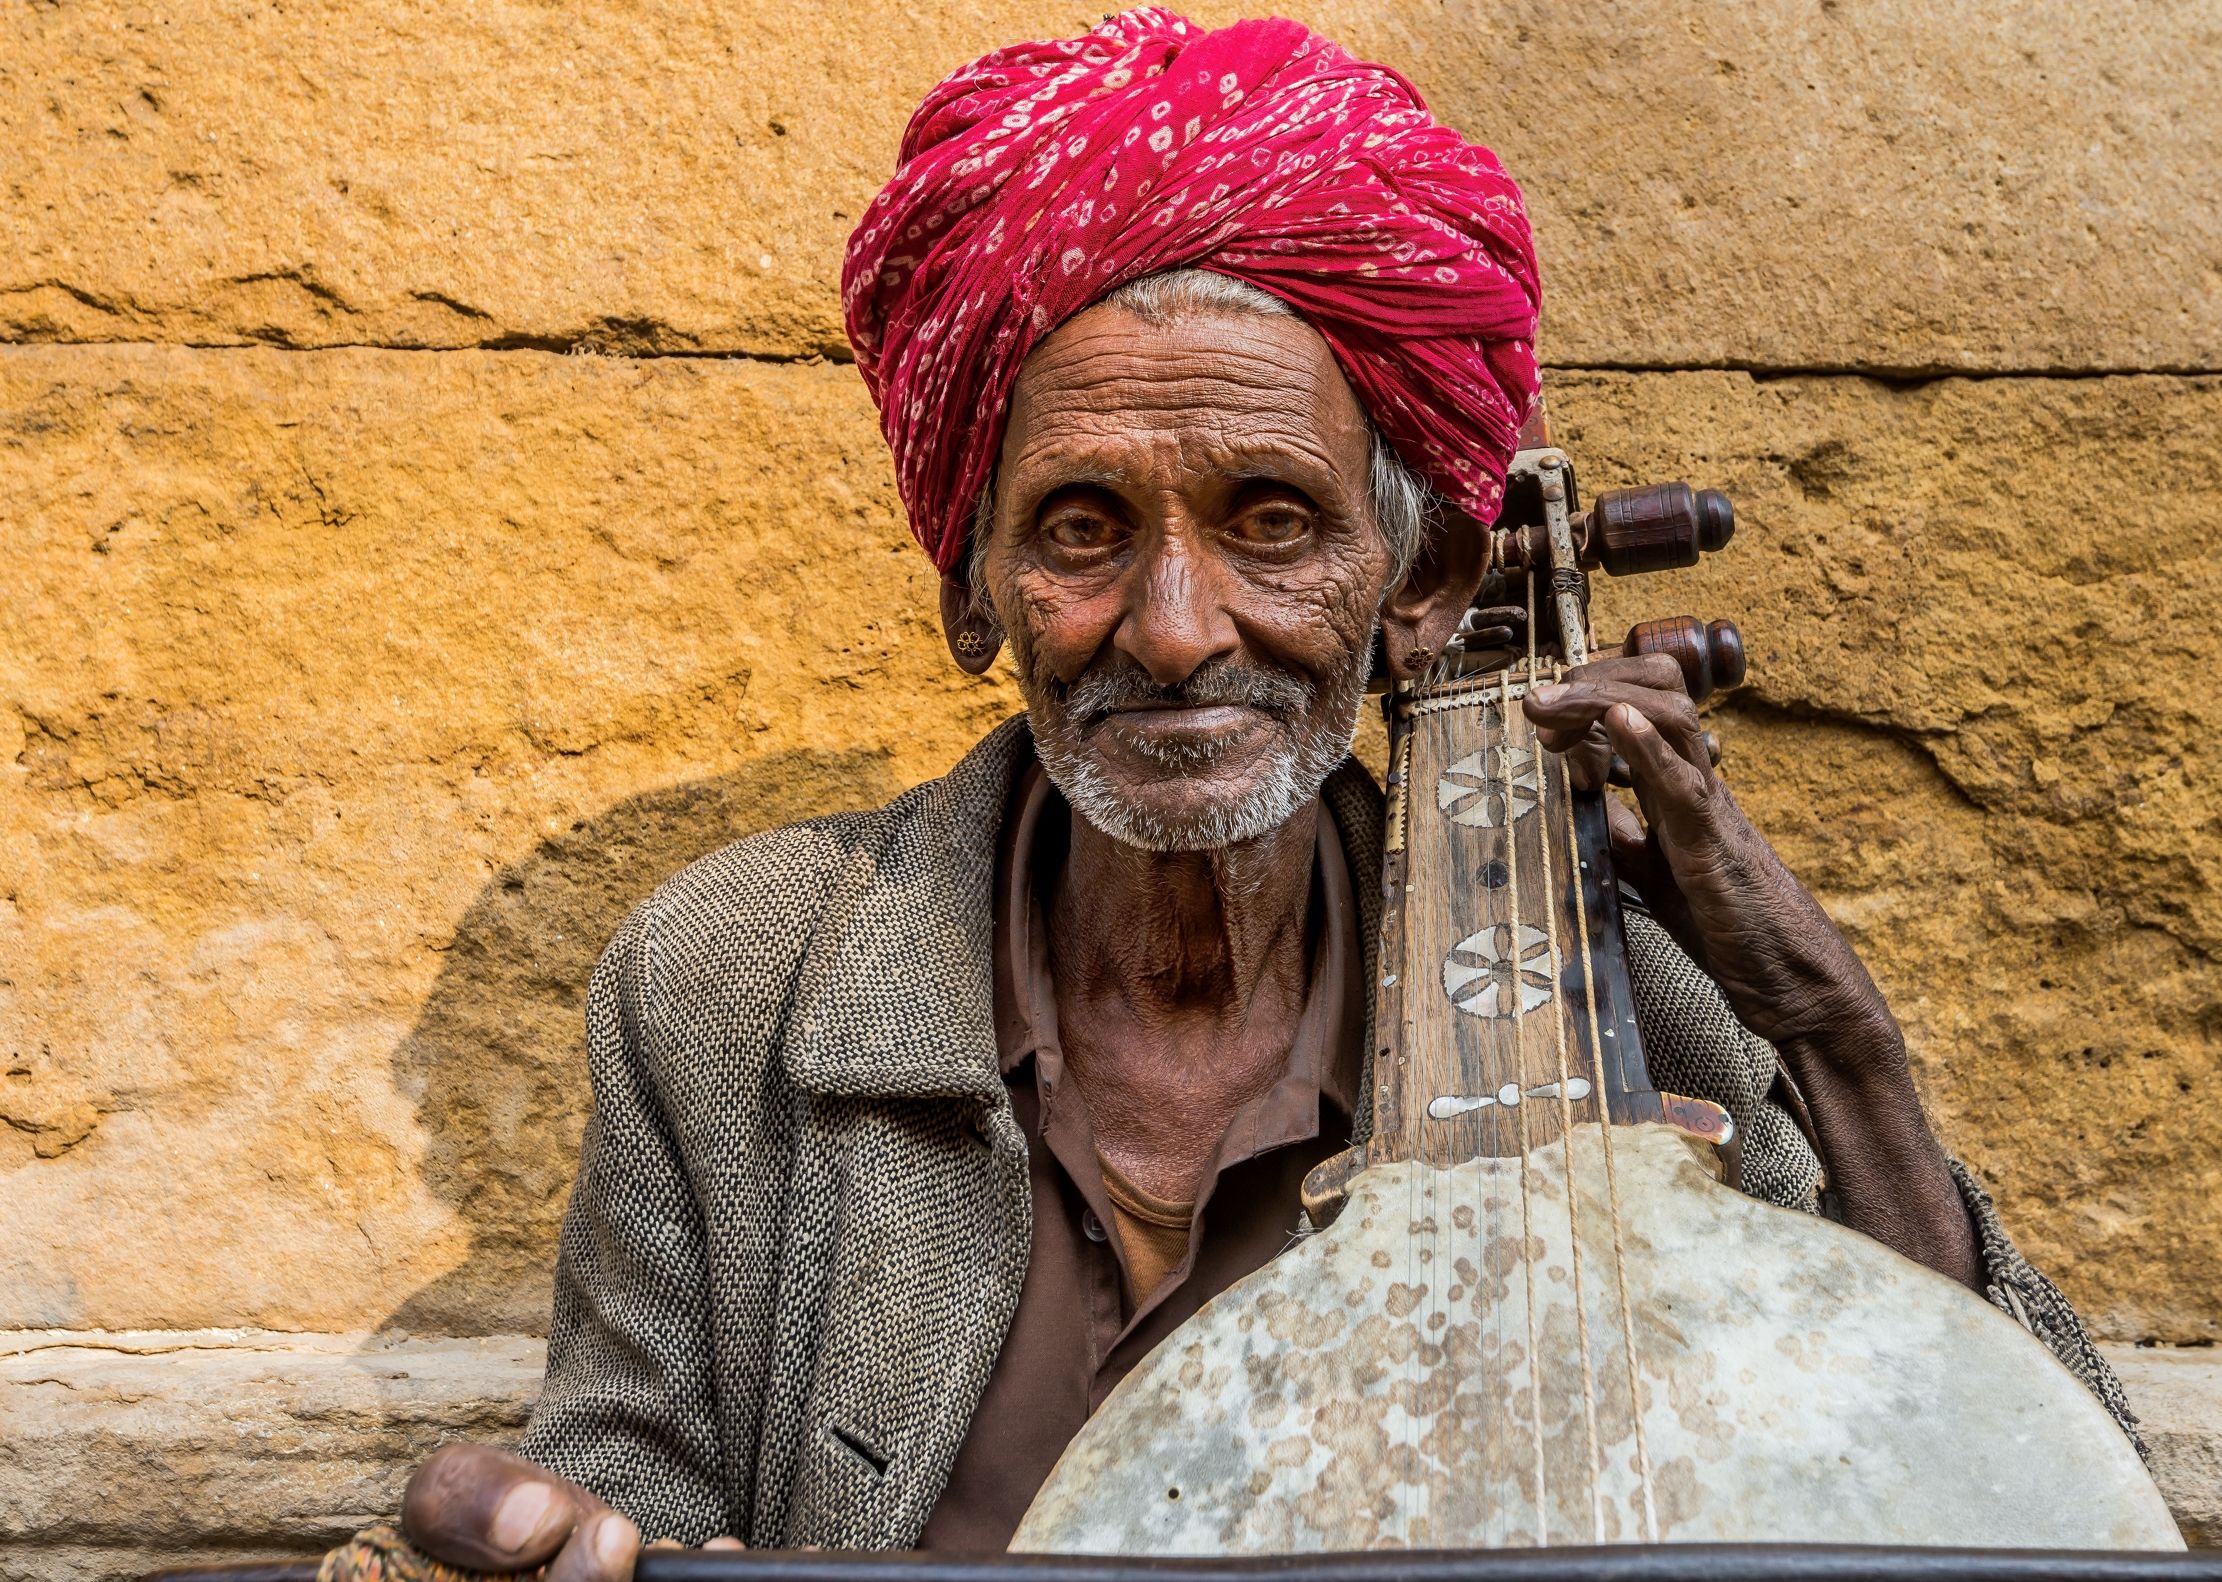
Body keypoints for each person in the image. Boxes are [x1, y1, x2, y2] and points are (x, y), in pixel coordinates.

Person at [361, 10, 2136, 1579]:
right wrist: (543, 1542)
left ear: (1417, 580)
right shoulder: (729, 979)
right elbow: (622, 1476)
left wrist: (1827, 1031)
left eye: (1271, 521)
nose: (1174, 627)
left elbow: (2030, 1502)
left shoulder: (1626, 1015)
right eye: (1079, 529)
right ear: (970, 586)